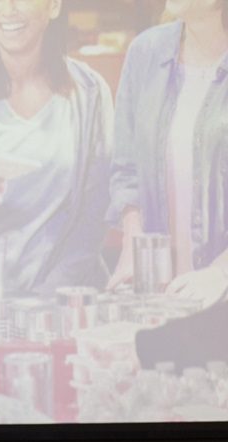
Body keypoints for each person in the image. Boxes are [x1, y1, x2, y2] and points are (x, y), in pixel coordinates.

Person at [0, 0, 114, 297]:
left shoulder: (90, 92)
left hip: (61, 305)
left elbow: (93, 215)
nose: (7, 9)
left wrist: (47, 298)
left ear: (53, 6)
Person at [108, 0, 228, 326]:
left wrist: (221, 273)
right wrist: (134, 244)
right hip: (161, 306)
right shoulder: (145, 52)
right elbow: (127, 168)